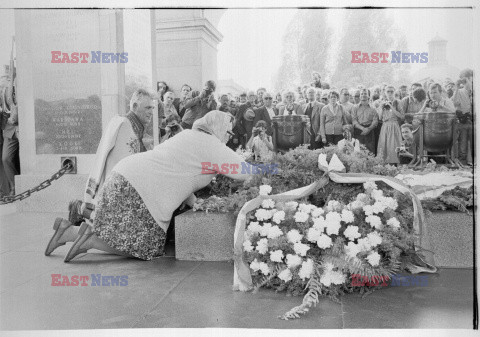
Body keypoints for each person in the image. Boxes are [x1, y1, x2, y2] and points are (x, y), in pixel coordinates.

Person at [46, 111, 251, 262]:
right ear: (217, 128)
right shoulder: (211, 143)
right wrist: (269, 170)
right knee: (147, 247)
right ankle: (89, 240)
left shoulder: (187, 135)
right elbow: (243, 171)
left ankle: (68, 231)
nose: (229, 136)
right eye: (228, 131)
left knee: (118, 232)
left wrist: (195, 202)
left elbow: (181, 173)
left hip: (124, 175)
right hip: (142, 189)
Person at [46, 89, 155, 238]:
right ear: (135, 106)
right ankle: (80, 209)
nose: (151, 112)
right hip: (116, 192)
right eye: (148, 107)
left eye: (152, 108)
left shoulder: (136, 129)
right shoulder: (123, 124)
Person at [452, 69, 473, 165]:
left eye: (469, 79)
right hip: (464, 121)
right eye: (464, 80)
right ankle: (463, 164)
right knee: (463, 146)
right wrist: (456, 88)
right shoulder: (460, 91)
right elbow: (455, 103)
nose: (467, 82)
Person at [351, 88, 378, 154]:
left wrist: (368, 129)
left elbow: (375, 121)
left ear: (368, 96)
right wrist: (363, 128)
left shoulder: (373, 108)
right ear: (360, 96)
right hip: (358, 131)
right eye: (361, 94)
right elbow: (354, 121)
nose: (363, 95)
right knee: (358, 151)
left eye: (365, 93)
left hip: (370, 130)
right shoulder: (355, 108)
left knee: (370, 151)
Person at [2, 102, 19, 196]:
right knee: (6, 158)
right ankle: (14, 186)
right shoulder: (5, 89)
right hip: (10, 129)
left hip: (25, 127)